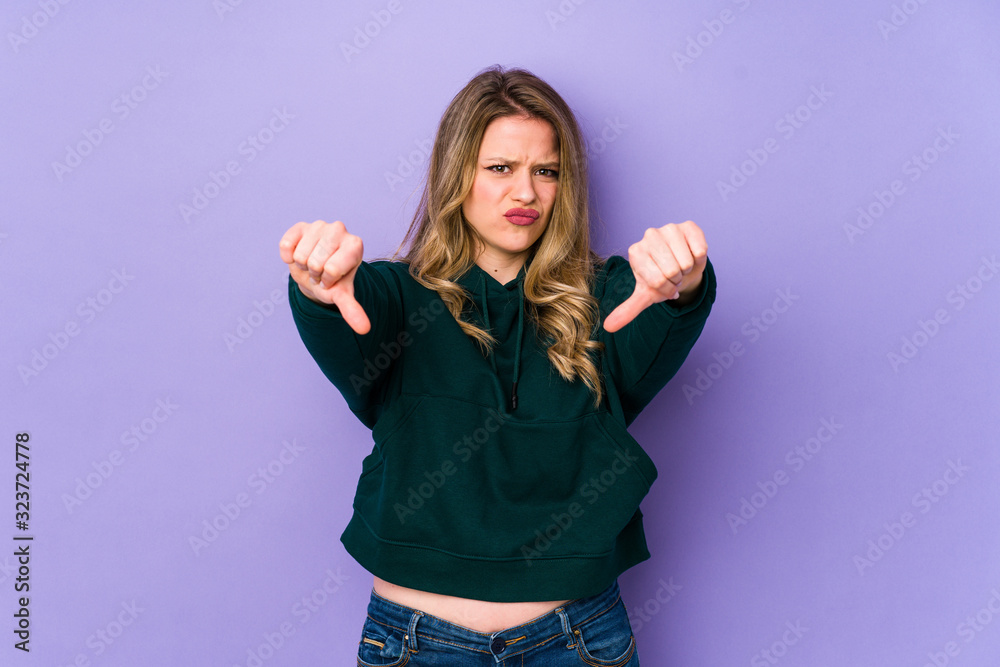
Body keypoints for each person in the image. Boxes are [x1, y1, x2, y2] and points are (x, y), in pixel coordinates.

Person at [279, 65, 716, 666]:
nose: (526, 193)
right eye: (501, 168)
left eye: (546, 171)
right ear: (456, 174)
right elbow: (343, 314)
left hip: (577, 643)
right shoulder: (393, 297)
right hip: (416, 644)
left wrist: (681, 283)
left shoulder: (612, 297)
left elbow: (661, 315)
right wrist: (318, 286)